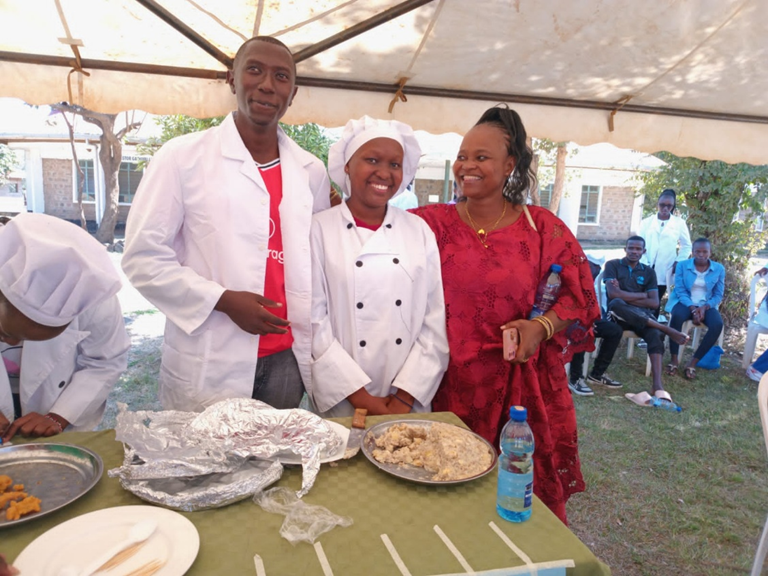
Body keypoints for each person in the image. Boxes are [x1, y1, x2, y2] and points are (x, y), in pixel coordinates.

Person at [413, 105, 600, 524]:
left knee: (514, 508)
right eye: (463, 155)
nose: (467, 166)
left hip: (520, 392)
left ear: (510, 164)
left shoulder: (541, 228)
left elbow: (580, 296)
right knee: (445, 498)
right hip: (446, 386)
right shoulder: (430, 223)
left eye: (482, 157)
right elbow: (371, 226)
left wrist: (541, 325)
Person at [122, 37, 330, 412]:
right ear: (232, 79)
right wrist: (223, 301)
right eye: (254, 70)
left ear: (292, 93)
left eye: (281, 76)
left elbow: (314, 263)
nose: (267, 84)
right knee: (204, 465)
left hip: (286, 357)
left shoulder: (311, 170)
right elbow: (143, 258)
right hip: (210, 354)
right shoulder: (182, 158)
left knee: (276, 464)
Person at [310, 116, 448, 417]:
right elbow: (312, 322)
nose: (383, 173)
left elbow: (433, 322)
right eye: (371, 160)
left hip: (407, 401)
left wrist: (404, 397)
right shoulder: (318, 229)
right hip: (344, 399)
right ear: (347, 165)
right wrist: (364, 399)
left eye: (395, 165)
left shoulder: (419, 230)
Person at [0, 213, 129, 442]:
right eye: (4, 333)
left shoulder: (90, 295)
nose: (10, 344)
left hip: (57, 410)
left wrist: (58, 417)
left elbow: (105, 362)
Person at [604, 236, 690, 409]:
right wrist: (642, 295)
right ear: (625, 249)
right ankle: (666, 329)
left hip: (642, 318)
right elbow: (613, 295)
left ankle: (657, 385)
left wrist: (625, 294)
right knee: (616, 304)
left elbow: (654, 303)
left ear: (643, 251)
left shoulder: (648, 272)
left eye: (638, 249)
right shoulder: (613, 265)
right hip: (618, 317)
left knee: (654, 334)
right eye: (631, 248)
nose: (634, 252)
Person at [665, 238, 725, 380]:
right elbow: (679, 290)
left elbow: (718, 294)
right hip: (685, 302)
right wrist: (693, 309)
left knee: (717, 324)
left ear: (710, 252)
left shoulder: (719, 269)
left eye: (705, 251)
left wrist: (704, 308)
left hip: (707, 304)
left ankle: (693, 362)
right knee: (677, 317)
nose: (701, 254)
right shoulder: (682, 266)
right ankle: (674, 358)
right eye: (697, 251)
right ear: (692, 252)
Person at [568, 254, 623, 396]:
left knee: (614, 330)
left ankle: (597, 374)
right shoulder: (570, 278)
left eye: (598, 268)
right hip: (565, 321)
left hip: (587, 320)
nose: (596, 271)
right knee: (581, 331)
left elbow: (594, 308)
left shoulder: (590, 284)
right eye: (593, 267)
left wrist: (592, 320)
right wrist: (586, 322)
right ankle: (575, 378)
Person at [637, 188, 692, 308]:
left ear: (673, 206)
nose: (665, 208)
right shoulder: (646, 222)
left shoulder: (679, 223)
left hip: (665, 267)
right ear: (657, 204)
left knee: (656, 300)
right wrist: (643, 262)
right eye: (662, 205)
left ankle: (652, 324)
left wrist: (678, 261)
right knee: (640, 298)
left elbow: (687, 245)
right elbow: (638, 244)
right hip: (643, 265)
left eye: (669, 206)